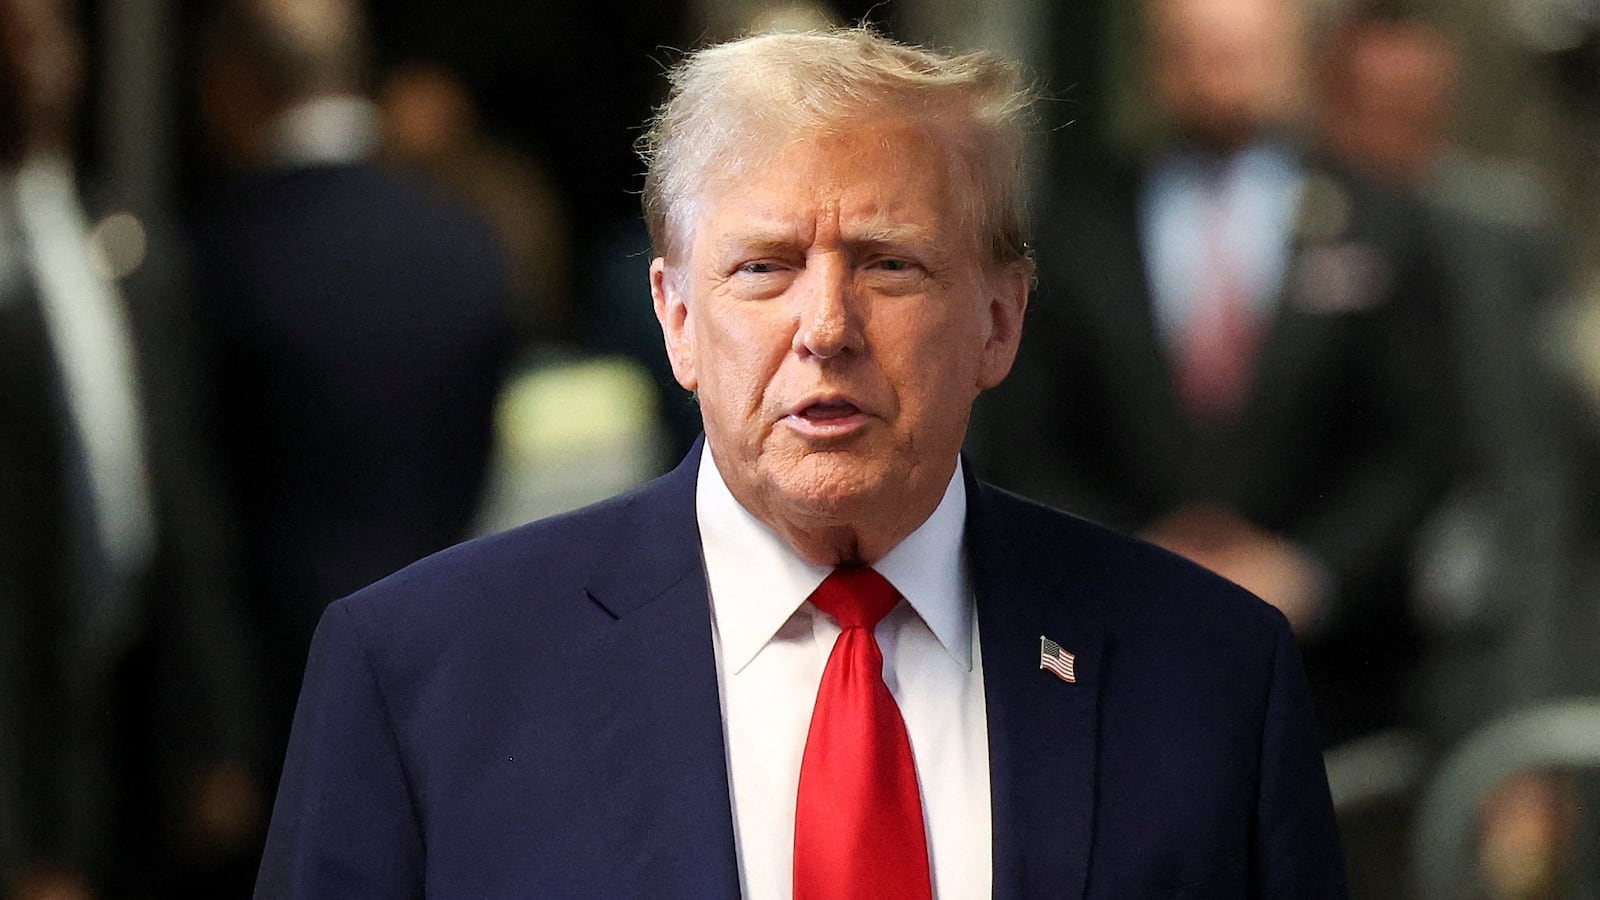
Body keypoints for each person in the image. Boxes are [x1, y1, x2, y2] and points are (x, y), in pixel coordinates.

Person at [255, 27, 1346, 898]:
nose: (826, 325)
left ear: (1000, 321)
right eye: (764, 266)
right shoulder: (419, 677)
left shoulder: (1213, 676)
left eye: (888, 263)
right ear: (675, 318)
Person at [978, 0, 1455, 749]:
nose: (1216, 76)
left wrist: (1307, 571)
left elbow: (1418, 443)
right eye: (1192, 51)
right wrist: (1134, 559)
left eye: (1240, 52)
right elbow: (1021, 429)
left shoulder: (1383, 220)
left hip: (1334, 685)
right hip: (1110, 661)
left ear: (1294, 57)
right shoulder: (1073, 216)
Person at [190, 0, 513, 776]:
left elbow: (196, 509)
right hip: (449, 677)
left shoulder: (215, 262)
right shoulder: (465, 248)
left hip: (268, 710)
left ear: (235, 85)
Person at [0, 0, 263, 896]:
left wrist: (217, 732)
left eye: (47, 29)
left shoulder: (122, 235)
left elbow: (184, 494)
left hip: (139, 705)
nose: (32, 54)